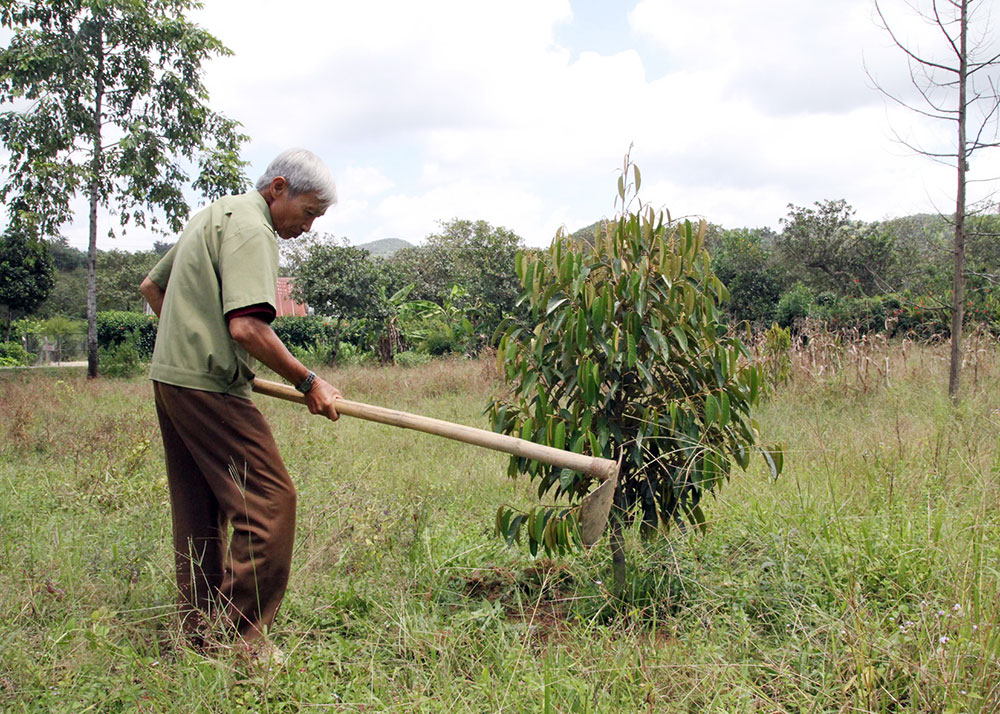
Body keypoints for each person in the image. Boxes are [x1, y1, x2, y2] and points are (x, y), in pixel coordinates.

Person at [139, 148, 342, 658]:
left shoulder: (213, 213)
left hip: (172, 378)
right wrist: (307, 381)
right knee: (271, 505)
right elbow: (248, 326)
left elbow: (152, 287)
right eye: (309, 212)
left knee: (201, 510)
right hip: (209, 385)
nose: (309, 227)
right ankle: (240, 642)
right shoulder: (254, 229)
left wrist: (187, 339)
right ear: (278, 189)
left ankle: (200, 634)